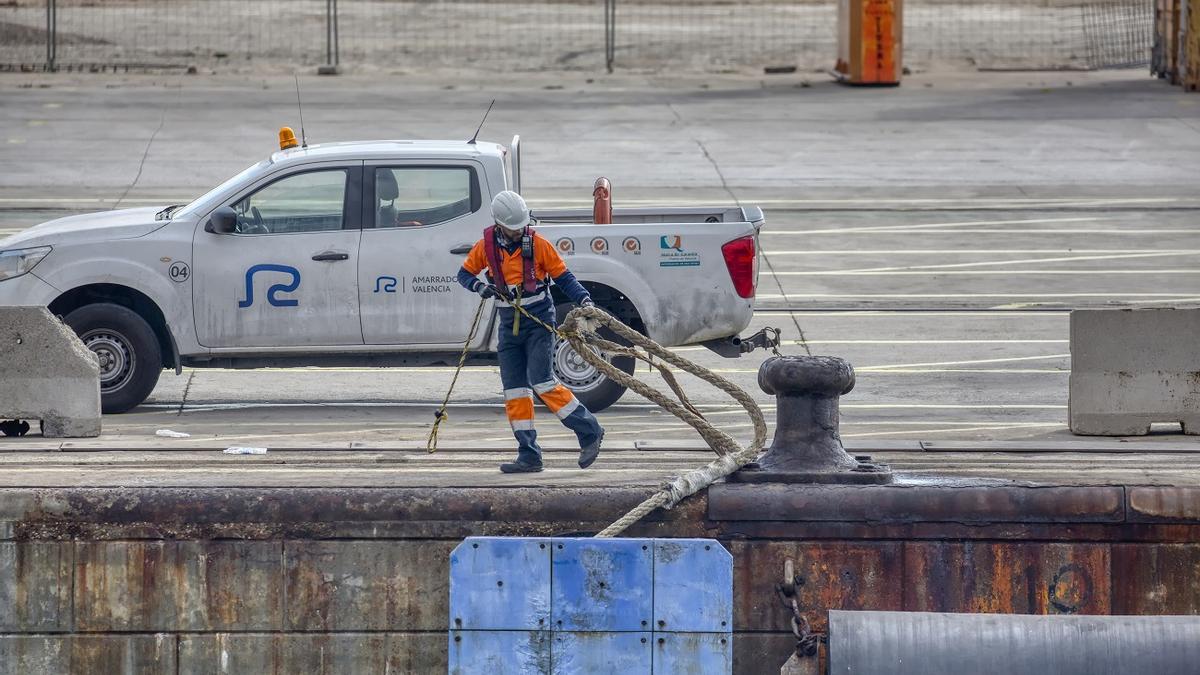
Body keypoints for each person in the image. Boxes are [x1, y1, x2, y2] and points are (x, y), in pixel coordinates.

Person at [456, 191, 605, 473]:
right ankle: (529, 455)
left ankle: (590, 431)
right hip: (508, 323)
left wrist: (584, 299)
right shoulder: (486, 247)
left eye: (521, 226)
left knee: (542, 382)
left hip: (538, 321)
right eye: (513, 227)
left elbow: (564, 277)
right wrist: (479, 287)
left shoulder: (538, 245)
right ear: (499, 225)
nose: (519, 231)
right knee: (514, 391)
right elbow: (464, 274)